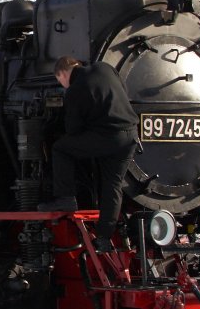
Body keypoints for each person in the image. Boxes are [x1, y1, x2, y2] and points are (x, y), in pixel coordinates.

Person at [38, 56, 138, 249]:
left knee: (61, 148)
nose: (63, 85)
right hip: (130, 135)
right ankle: (104, 237)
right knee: (113, 185)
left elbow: (73, 130)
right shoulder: (105, 68)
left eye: (60, 81)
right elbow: (123, 92)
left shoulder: (74, 90)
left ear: (63, 73)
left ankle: (66, 198)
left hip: (107, 137)